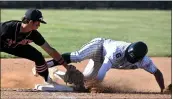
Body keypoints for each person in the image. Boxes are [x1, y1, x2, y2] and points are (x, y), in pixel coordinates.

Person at [46, 38, 165, 93]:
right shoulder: (117, 51)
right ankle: (48, 64)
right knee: (78, 56)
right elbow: (103, 70)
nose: (129, 58)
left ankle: (55, 72)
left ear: (140, 58)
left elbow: (157, 72)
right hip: (100, 47)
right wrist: (95, 86)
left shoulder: (145, 61)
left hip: (100, 61)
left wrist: (162, 89)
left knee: (82, 80)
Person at [0, 8, 69, 84]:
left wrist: (67, 67)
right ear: (30, 22)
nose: (39, 25)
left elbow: (50, 50)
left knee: (38, 57)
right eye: (37, 23)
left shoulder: (34, 34)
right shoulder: (7, 28)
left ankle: (47, 80)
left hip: (16, 47)